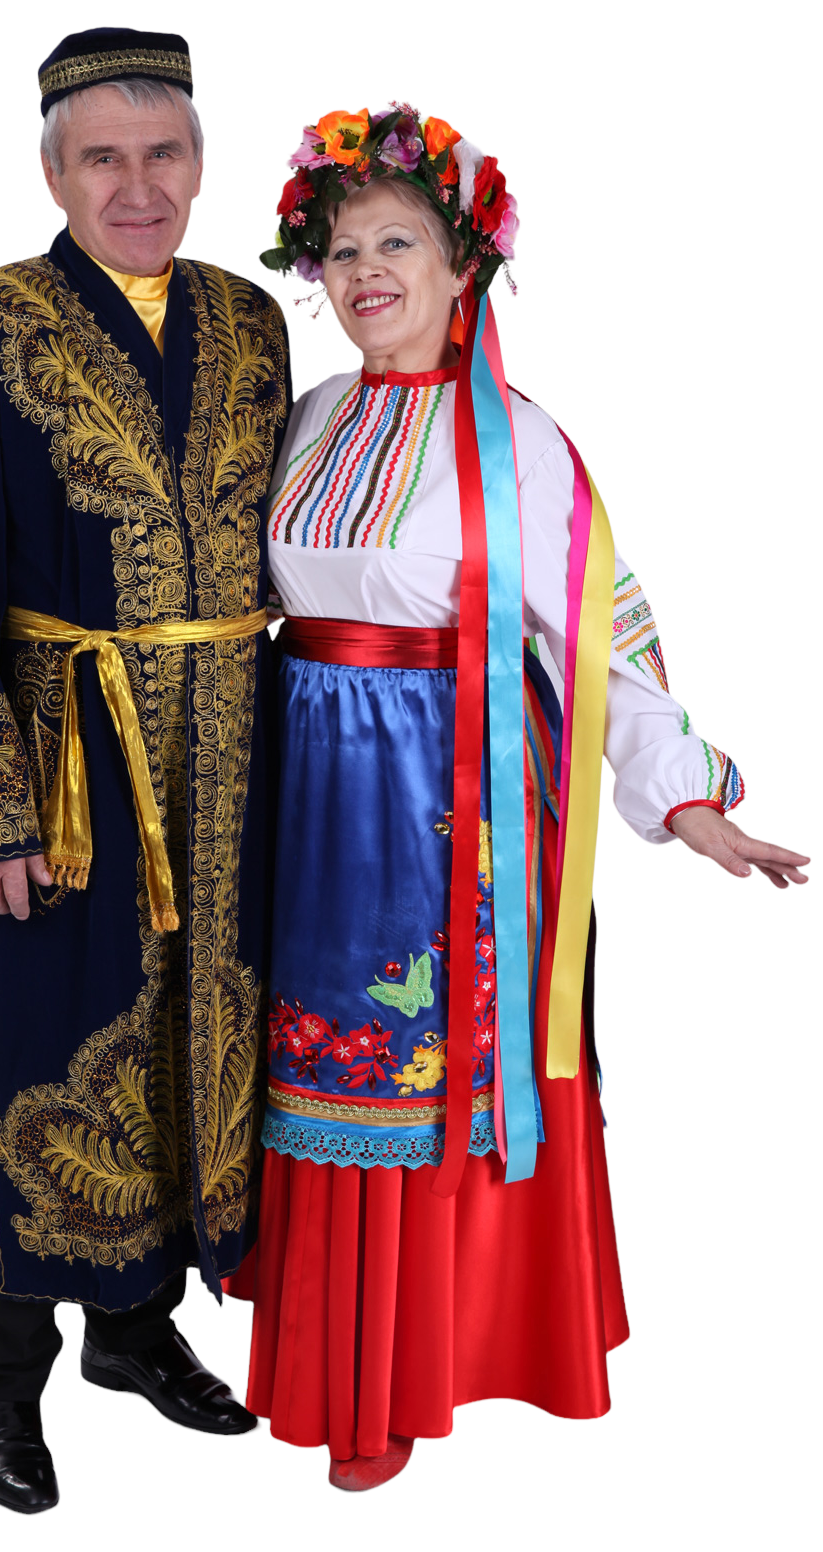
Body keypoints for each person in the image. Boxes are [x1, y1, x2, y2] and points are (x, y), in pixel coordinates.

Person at [220, 100, 811, 1491]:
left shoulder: (521, 444)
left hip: (448, 801)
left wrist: (688, 803)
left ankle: (398, 1383)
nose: (367, 272)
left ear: (462, 265)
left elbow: (604, 639)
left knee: (425, 1068)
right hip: (308, 789)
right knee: (305, 1067)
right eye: (344, 249)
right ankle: (326, 1357)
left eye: (397, 244)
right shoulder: (305, 415)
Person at [0, 26, 291, 1515]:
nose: (138, 186)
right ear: (54, 173)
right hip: (70, 768)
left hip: (237, 761)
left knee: (208, 1049)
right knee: (56, 1061)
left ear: (202, 163)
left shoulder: (254, 319)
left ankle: (137, 1333)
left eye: (164, 153)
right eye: (103, 158)